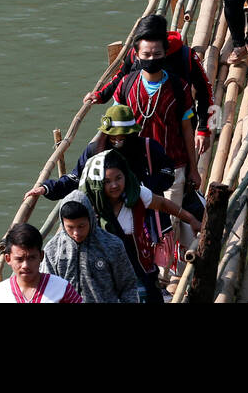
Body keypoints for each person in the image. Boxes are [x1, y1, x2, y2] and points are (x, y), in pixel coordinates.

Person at [81, 149, 201, 303]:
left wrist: (191, 219)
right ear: (98, 184)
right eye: (107, 181)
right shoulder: (90, 208)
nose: (114, 185)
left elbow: (163, 204)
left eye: (118, 178)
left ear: (126, 175)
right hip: (106, 274)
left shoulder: (136, 195)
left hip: (139, 267)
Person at [86, 17, 214, 160]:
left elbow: (205, 91)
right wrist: (101, 95)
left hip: (177, 130)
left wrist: (203, 130)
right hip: (140, 130)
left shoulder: (185, 56)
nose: (150, 57)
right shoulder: (137, 54)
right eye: (145, 53)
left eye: (157, 53)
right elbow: (121, 76)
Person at [26, 104, 175, 202]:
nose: (117, 141)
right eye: (113, 137)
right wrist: (47, 188)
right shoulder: (94, 151)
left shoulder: (149, 148)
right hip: (106, 217)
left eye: (122, 137)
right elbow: (75, 179)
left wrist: (139, 188)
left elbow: (168, 173)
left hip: (145, 216)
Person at [40, 191, 140, 303]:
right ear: (63, 223)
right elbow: (47, 289)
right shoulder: (52, 249)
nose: (76, 233)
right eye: (70, 227)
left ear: (91, 218)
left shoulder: (112, 245)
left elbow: (128, 286)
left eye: (81, 226)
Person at [0, 223, 83, 303]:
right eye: (19, 259)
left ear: (41, 256)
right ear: (8, 259)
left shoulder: (61, 288)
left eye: (31, 258)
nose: (25, 265)